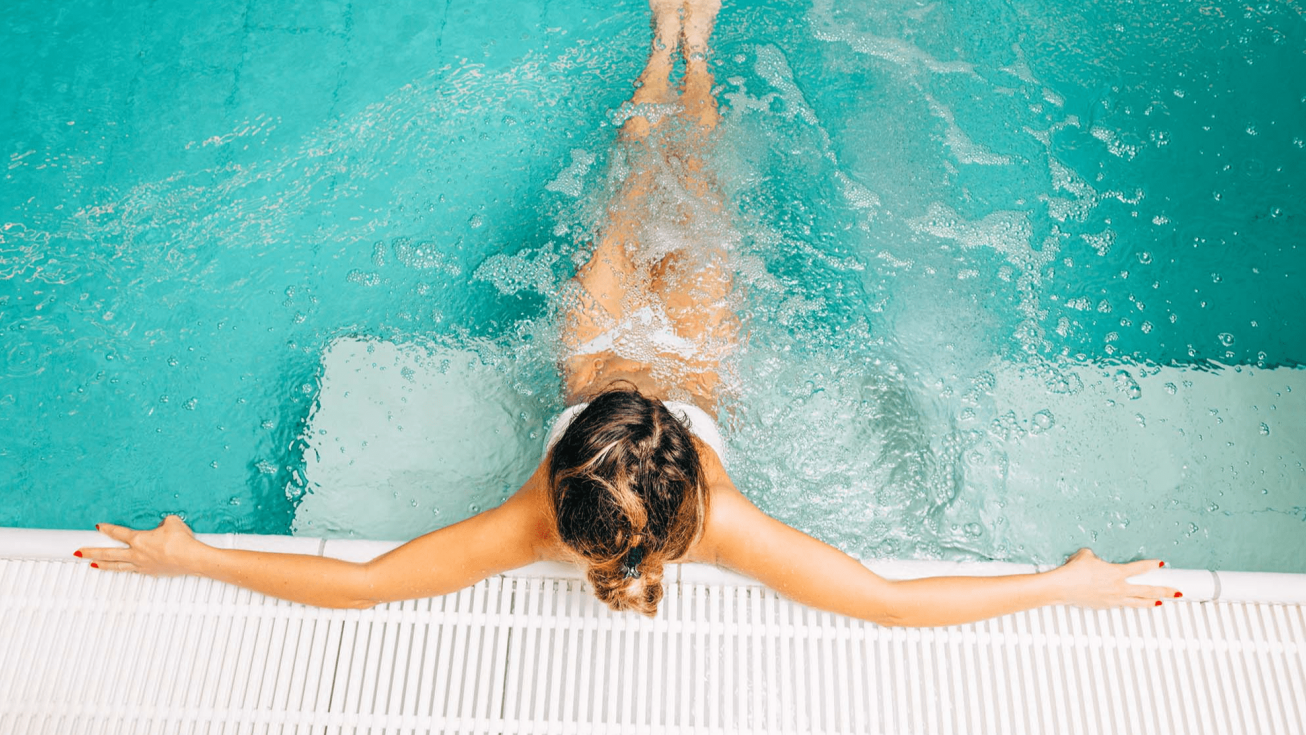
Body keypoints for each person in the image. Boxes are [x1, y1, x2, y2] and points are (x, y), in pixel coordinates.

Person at [76, 0, 1180, 625]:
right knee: (692, 201)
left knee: (626, 202)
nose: (633, 390)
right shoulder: (722, 521)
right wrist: (1065, 585)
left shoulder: (530, 521)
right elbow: (886, 604)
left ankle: (672, 45)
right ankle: (691, 49)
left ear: (574, 466)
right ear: (680, 466)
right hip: (703, 371)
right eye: (629, 412)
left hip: (586, 366)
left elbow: (362, 587)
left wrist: (196, 557)